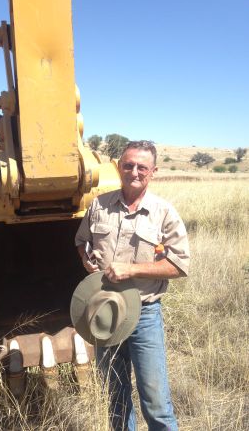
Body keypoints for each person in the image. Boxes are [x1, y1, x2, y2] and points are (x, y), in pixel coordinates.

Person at [75, 140, 190, 431]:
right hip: (103, 313)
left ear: (153, 171)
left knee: (155, 401)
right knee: (115, 397)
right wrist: (87, 260)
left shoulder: (163, 213)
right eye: (128, 165)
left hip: (144, 316)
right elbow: (81, 241)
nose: (134, 171)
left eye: (142, 167)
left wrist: (132, 270)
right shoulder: (99, 206)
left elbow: (178, 265)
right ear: (119, 167)